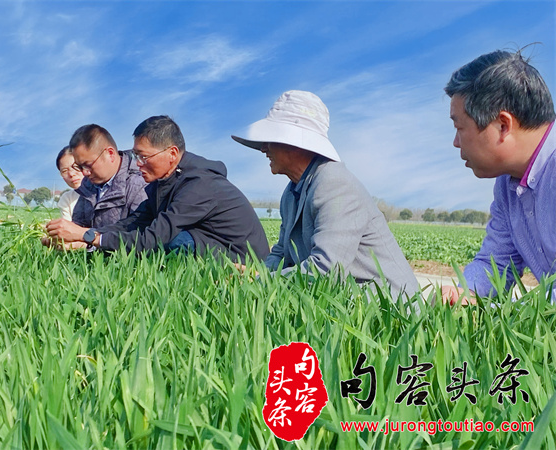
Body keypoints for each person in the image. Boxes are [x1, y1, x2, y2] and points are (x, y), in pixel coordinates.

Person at [232, 90, 419, 298]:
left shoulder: (334, 184)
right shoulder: (291, 192)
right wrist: (256, 278)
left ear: (295, 144)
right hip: (343, 300)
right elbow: (282, 252)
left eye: (270, 140)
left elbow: (327, 270)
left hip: (385, 305)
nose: (263, 149)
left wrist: (260, 282)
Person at [47, 115, 270, 262]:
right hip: (207, 244)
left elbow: (153, 238)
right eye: (136, 156)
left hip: (243, 260)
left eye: (143, 156)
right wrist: (85, 238)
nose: (138, 163)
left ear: (172, 154)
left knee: (171, 242)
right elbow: (134, 222)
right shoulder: (163, 181)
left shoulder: (199, 184)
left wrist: (88, 237)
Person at [441, 49, 556, 306]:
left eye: (459, 127)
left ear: (503, 125)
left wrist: (502, 313)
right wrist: (464, 297)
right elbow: (497, 262)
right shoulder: (508, 184)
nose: (456, 142)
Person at [44, 124, 148, 247]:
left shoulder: (140, 184)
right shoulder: (87, 185)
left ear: (110, 154)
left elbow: (139, 239)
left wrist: (87, 244)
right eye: (80, 166)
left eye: (88, 165)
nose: (84, 172)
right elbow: (78, 226)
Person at [55, 146, 83, 221]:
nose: (71, 174)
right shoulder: (67, 199)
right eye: (64, 171)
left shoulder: (105, 192)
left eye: (76, 167)